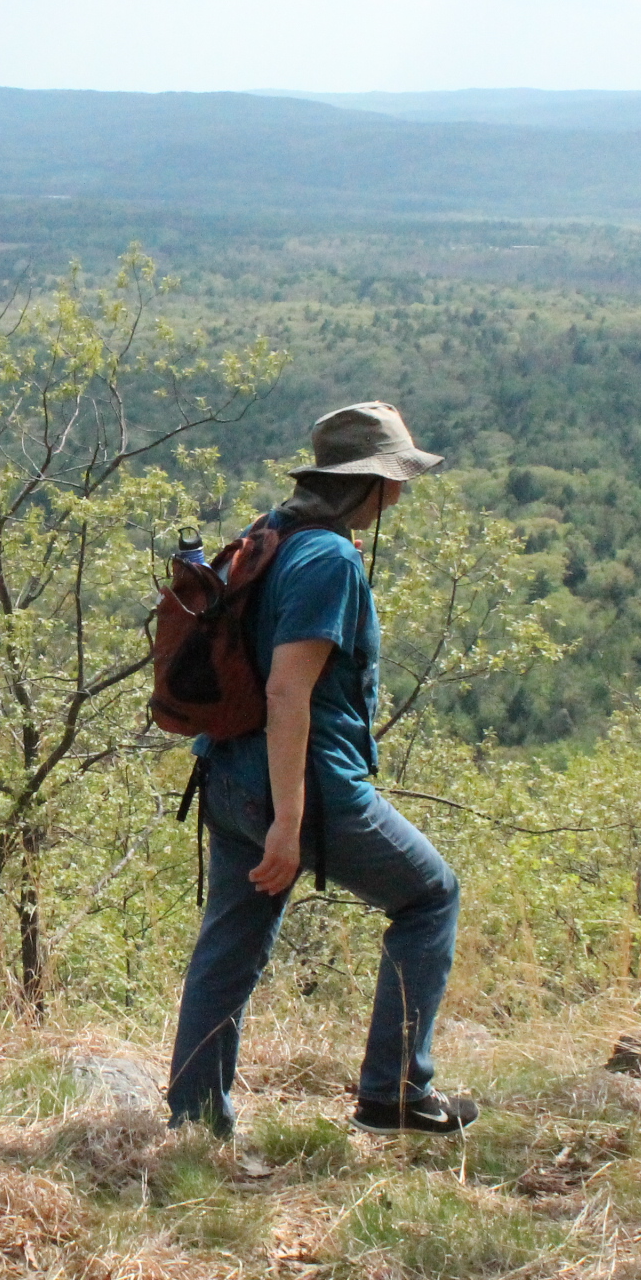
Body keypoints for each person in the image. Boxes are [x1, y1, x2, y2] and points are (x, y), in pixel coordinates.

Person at [165, 401, 475, 1138]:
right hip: (302, 786)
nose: (401, 491)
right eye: (395, 476)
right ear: (366, 483)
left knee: (229, 947)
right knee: (430, 898)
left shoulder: (271, 533)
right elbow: (285, 692)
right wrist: (291, 822)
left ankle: (196, 1122)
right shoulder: (329, 558)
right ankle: (394, 1093)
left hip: (226, 774)